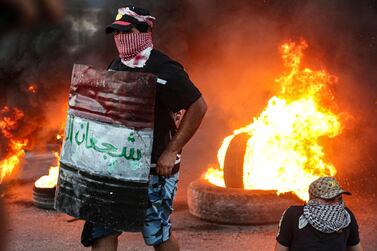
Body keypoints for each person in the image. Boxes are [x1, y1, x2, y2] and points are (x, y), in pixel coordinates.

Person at [80, 5, 207, 251]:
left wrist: (172, 150)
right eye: (116, 33)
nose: (119, 38)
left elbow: (198, 107)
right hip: (115, 166)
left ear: (144, 31)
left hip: (153, 168)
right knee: (101, 230)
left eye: (125, 32)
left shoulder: (165, 68)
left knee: (158, 234)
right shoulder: (116, 65)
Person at [275, 176, 363, 251]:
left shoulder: (346, 217)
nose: (337, 204)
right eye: (329, 200)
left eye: (339, 198)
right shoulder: (293, 215)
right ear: (313, 201)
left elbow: (356, 248)